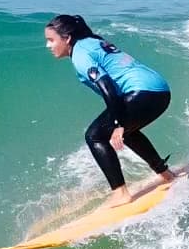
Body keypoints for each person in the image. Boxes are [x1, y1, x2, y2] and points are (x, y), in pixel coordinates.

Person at [43, 14, 176, 209]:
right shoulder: (91, 42)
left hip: (143, 93)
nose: (48, 45)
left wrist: (118, 124)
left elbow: (108, 88)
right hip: (160, 90)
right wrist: (120, 124)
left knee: (94, 136)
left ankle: (121, 193)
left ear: (67, 38)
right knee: (126, 131)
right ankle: (166, 174)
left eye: (51, 40)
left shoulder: (80, 55)